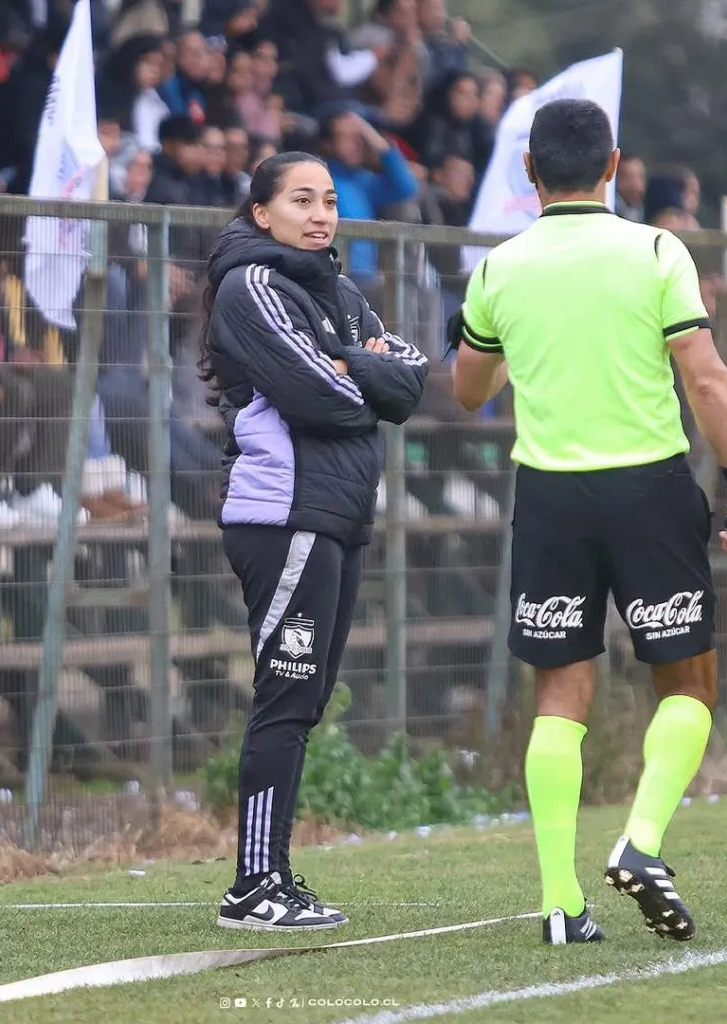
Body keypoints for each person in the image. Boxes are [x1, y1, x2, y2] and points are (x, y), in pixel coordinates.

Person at [447, 98, 727, 946]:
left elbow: (469, 391)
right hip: (648, 489)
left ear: (529, 173)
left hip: (549, 494)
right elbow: (705, 382)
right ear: (615, 165)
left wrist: (481, 342)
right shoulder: (657, 249)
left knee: (561, 693)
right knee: (690, 685)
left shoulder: (499, 267)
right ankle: (641, 841)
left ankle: (560, 904)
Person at [201, 152, 429, 930]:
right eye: (302, 200)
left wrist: (352, 364)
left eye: (329, 200)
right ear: (262, 212)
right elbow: (322, 398)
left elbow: (413, 380)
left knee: (305, 703)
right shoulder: (251, 286)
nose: (321, 214)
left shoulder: (337, 289)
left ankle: (276, 874)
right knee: (285, 698)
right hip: (283, 516)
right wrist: (360, 374)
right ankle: (251, 887)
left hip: (337, 515)